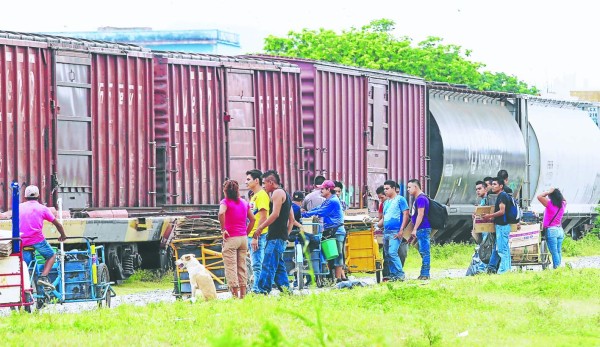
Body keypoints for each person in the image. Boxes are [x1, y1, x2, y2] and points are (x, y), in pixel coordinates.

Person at [253, 170, 295, 295]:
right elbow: (291, 219)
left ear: (271, 182)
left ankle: (262, 290)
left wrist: (260, 227)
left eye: (264, 183)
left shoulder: (277, 193)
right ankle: (286, 291)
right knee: (279, 268)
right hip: (280, 237)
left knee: (268, 264)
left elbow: (275, 214)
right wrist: (285, 235)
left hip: (275, 236)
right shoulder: (286, 195)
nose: (264, 186)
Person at [20, 185, 67, 289]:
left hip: (21, 241)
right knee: (51, 256)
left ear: (25, 197)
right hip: (37, 240)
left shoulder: (19, 207)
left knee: (25, 269)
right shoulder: (42, 209)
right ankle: (43, 277)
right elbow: (58, 224)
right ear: (39, 196)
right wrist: (63, 235)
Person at [302, 180, 347, 282]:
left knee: (338, 255)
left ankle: (338, 279)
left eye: (322, 189)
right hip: (330, 230)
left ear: (328, 190)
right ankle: (334, 278)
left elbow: (321, 211)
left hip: (337, 231)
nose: (320, 190)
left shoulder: (333, 201)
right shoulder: (328, 200)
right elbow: (318, 208)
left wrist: (306, 214)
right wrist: (308, 212)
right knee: (331, 254)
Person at [219, 180, 255, 299]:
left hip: (231, 238)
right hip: (243, 239)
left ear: (225, 191)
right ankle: (243, 296)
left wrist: (223, 229)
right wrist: (246, 232)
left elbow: (221, 213)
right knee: (242, 266)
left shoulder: (225, 202)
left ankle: (235, 296)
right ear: (237, 190)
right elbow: (253, 219)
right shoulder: (244, 202)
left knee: (231, 267)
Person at [377, 180, 409, 281]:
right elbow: (384, 218)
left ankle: (400, 274)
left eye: (387, 189)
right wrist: (376, 224)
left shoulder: (400, 199)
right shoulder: (386, 203)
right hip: (386, 232)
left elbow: (406, 214)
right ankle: (392, 275)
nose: (385, 191)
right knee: (387, 255)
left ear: (394, 189)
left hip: (395, 232)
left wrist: (401, 229)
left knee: (392, 253)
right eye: (384, 189)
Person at [245, 169, 270, 293]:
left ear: (256, 181)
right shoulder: (254, 196)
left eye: (248, 179)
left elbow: (264, 216)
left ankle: (257, 289)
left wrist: (256, 235)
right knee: (255, 263)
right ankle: (257, 287)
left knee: (257, 263)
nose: (246, 182)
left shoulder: (261, 195)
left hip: (258, 235)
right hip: (252, 234)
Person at [482, 177, 513, 274]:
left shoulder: (502, 196)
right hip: (503, 225)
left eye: (495, 184)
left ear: (501, 186)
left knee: (502, 250)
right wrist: (492, 218)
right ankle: (507, 269)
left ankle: (503, 270)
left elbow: (502, 211)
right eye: (492, 184)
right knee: (504, 249)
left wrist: (489, 216)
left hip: (502, 226)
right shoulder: (503, 195)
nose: (493, 186)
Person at [467, 180, 495, 276]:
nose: (477, 191)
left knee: (486, 249)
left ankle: (483, 269)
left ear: (485, 188)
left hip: (487, 230)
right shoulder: (483, 200)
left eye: (479, 189)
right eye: (476, 189)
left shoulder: (488, 200)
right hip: (483, 230)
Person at [407, 179, 431, 280]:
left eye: (409, 187)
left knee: (425, 251)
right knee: (423, 251)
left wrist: (415, 229)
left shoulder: (420, 199)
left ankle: (425, 274)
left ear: (415, 187)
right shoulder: (419, 198)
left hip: (423, 228)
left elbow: (420, 215)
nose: (408, 189)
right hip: (422, 228)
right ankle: (424, 273)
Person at [537, 188, 566, 269]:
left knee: (554, 252)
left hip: (552, 230)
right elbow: (564, 199)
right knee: (558, 250)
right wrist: (557, 192)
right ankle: (559, 266)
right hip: (560, 230)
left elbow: (539, 197)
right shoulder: (563, 204)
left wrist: (548, 191)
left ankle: (557, 267)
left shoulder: (550, 204)